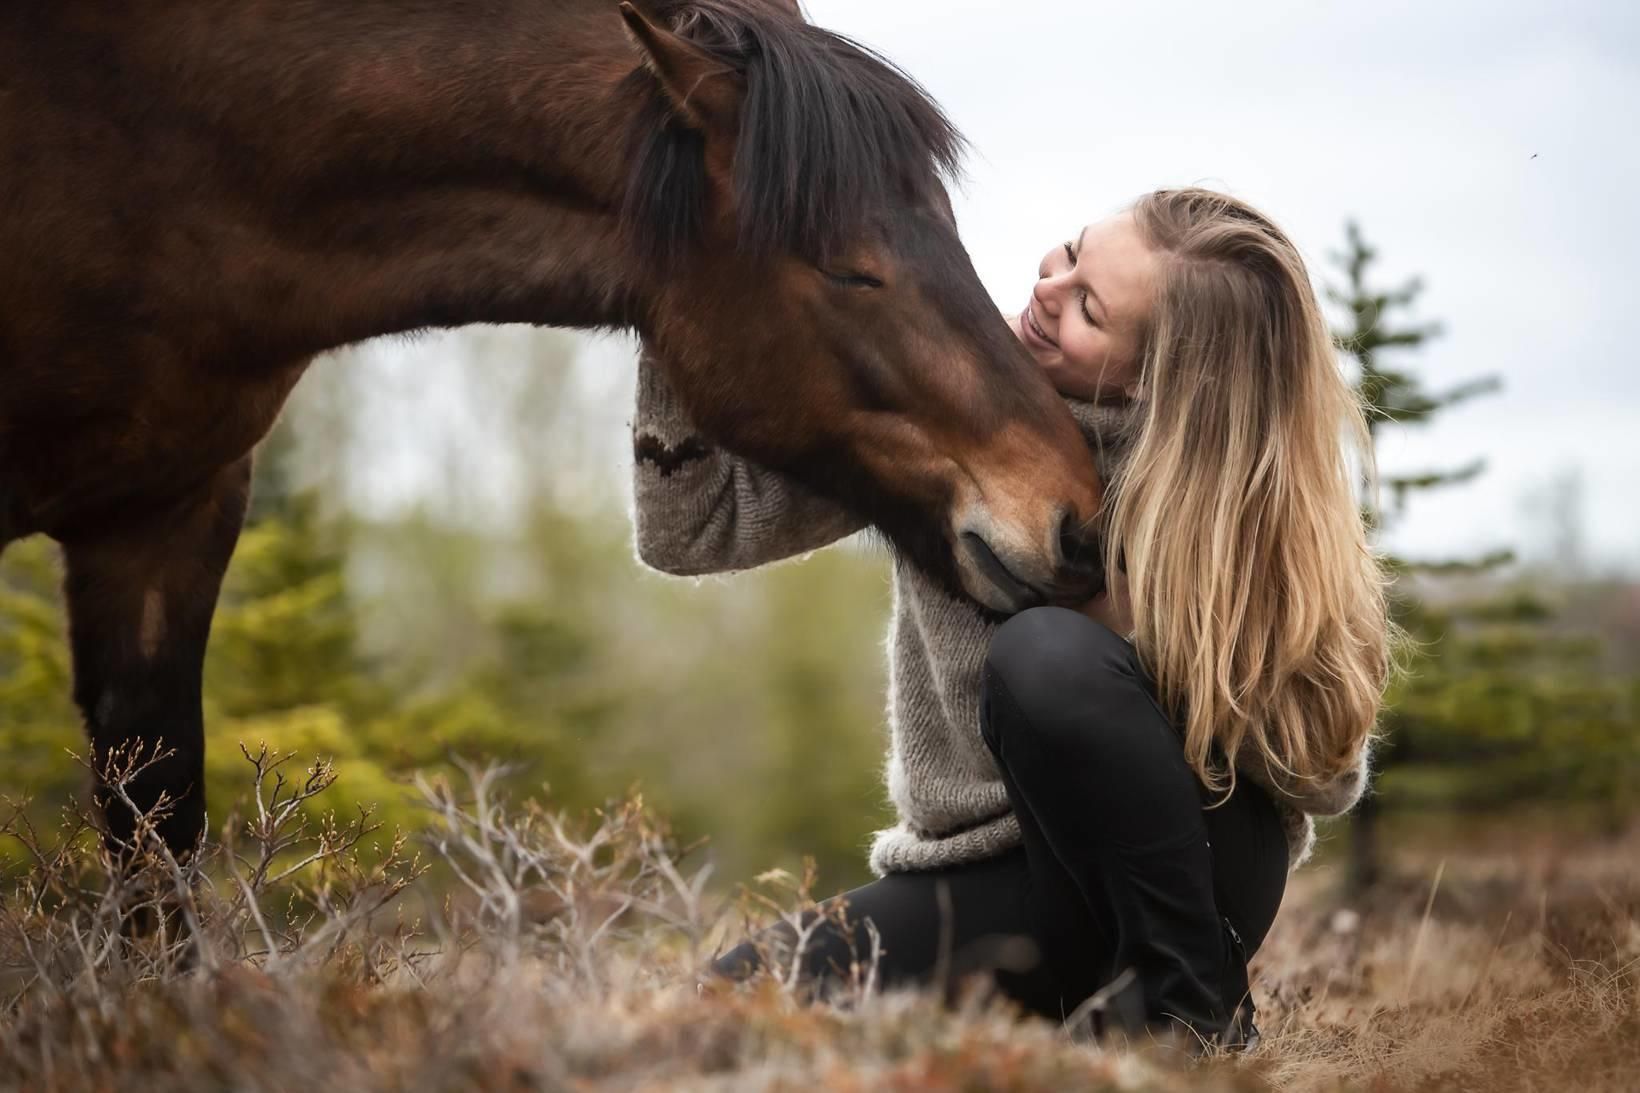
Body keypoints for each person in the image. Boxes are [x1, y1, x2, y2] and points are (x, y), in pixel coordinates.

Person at [628, 187, 1396, 1051]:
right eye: (1069, 255)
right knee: (716, 1013)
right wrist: (670, 296)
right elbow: (691, 527)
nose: (1046, 289)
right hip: (996, 880)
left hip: (1199, 870)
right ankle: (1117, 1026)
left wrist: (1128, 620)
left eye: (1090, 309)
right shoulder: (942, 403)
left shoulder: (1236, 502)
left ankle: (1195, 1027)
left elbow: (1325, 776)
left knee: (1046, 660)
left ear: (1154, 376)